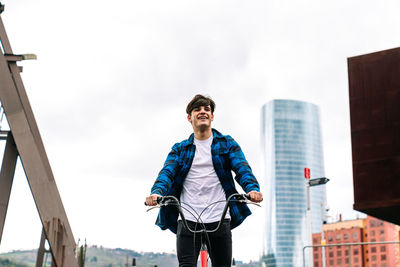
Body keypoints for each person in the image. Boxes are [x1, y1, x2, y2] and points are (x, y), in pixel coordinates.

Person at [145, 94, 263, 267]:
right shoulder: (180, 149)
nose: (203, 112)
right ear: (189, 117)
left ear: (212, 116)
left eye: (207, 109)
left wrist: (252, 189)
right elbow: (167, 173)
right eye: (197, 109)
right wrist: (156, 193)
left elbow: (242, 168)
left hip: (219, 217)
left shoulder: (226, 144)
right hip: (187, 219)